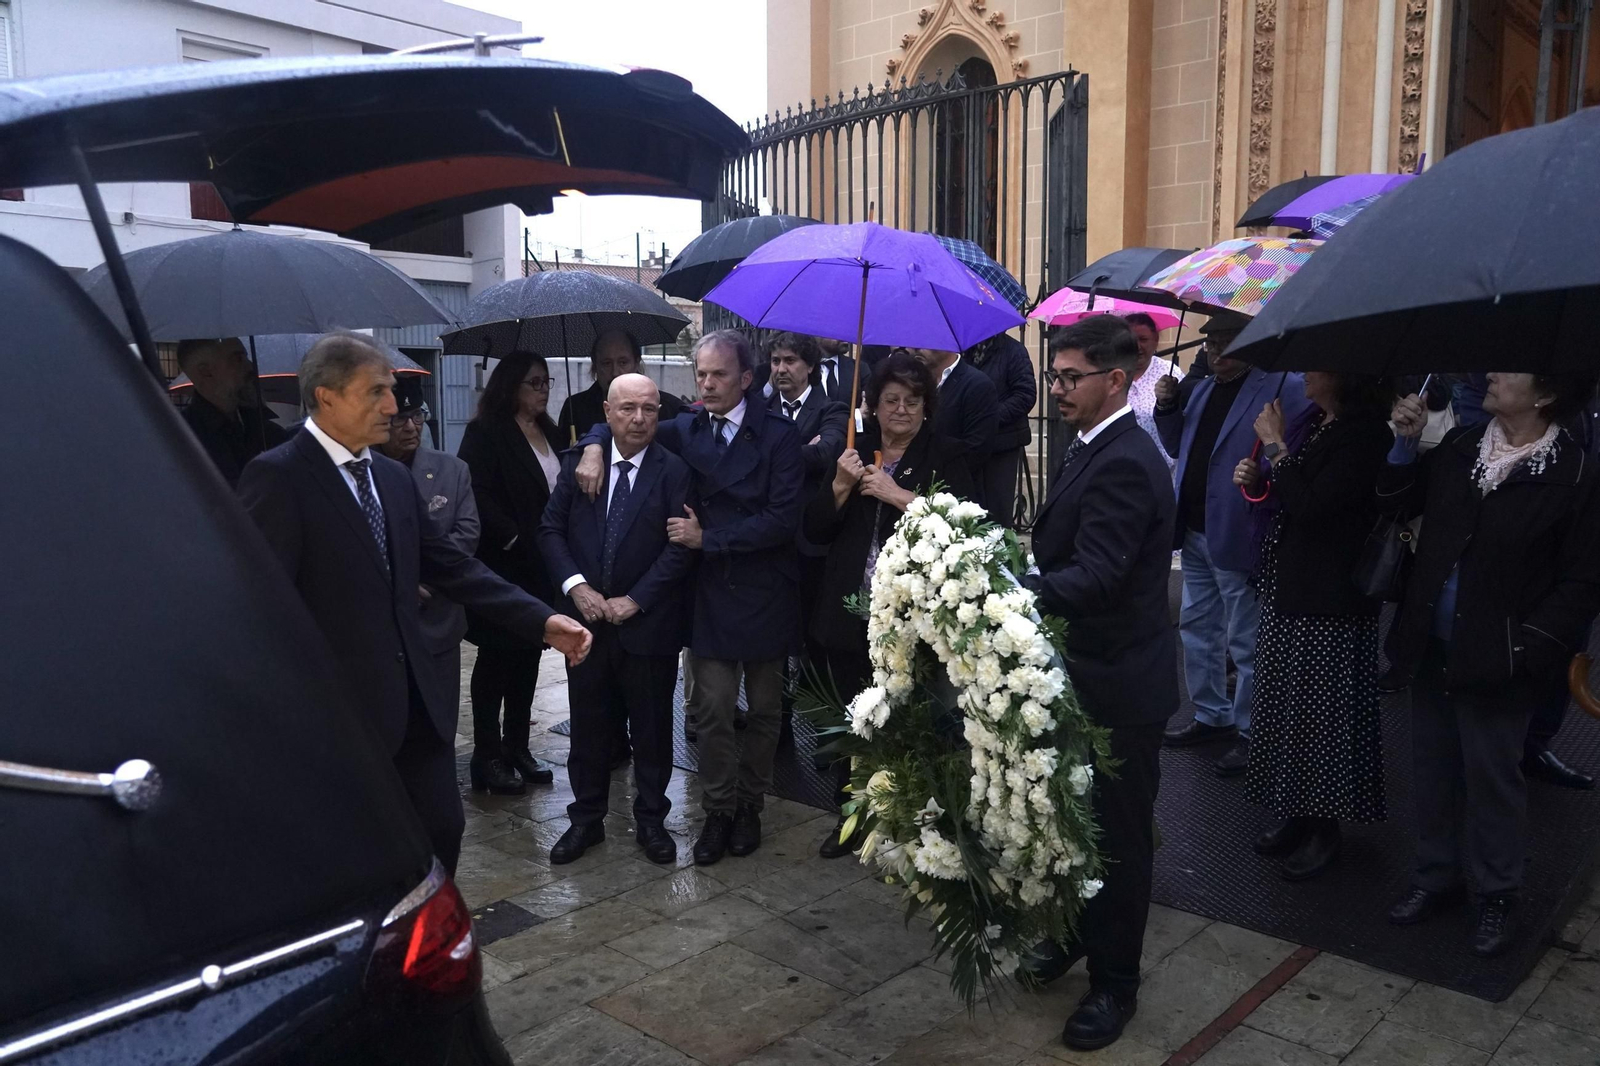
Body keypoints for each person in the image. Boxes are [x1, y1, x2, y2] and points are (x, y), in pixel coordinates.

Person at [238, 333, 591, 874]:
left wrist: (541, 619)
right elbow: (261, 608)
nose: (391, 405)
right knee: (361, 853)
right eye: (376, 392)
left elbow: (453, 565)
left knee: (442, 831)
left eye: (392, 391)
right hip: (344, 716)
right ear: (327, 397)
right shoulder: (279, 476)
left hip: (420, 705)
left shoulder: (391, 477)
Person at [1380, 372, 1600, 957]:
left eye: (1511, 370)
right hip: (1433, 637)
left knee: (1492, 775)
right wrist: (1403, 444)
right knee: (1432, 764)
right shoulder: (1458, 446)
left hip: (1503, 654)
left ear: (1548, 394)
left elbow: (1582, 580)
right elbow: (1398, 504)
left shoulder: (1575, 470)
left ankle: (1498, 895)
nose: (1493, 376)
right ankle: (1436, 877)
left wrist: (1529, 646)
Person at [575, 330, 804, 865]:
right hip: (711, 595)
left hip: (766, 587)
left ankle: (751, 804)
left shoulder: (778, 434)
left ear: (747, 379)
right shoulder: (687, 427)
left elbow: (782, 518)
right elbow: (622, 423)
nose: (706, 383)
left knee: (767, 710)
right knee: (711, 709)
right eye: (700, 374)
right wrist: (591, 448)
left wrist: (711, 539)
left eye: (718, 374)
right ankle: (719, 809)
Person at [1021, 316, 1178, 1051]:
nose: (1056, 389)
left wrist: (1016, 588)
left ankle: (1116, 984)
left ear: (1116, 379)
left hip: (1119, 684)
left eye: (1069, 377)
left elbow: (1100, 574)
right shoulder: (1091, 445)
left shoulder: (1124, 458)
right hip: (1085, 672)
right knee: (1076, 829)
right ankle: (1079, 937)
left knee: (1116, 839)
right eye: (1054, 376)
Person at [803, 351, 975, 857]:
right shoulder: (854, 453)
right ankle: (851, 815)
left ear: (927, 407)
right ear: (872, 406)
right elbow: (813, 531)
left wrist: (899, 495)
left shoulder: (948, 453)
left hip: (912, 615)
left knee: (912, 716)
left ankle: (910, 815)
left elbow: (966, 526)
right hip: (849, 607)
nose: (901, 410)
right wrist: (839, 486)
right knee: (852, 715)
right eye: (891, 400)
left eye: (913, 401)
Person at [1232, 373, 1394, 880]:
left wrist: (1278, 448)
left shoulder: (1366, 435)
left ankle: (1325, 828)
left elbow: (1317, 505)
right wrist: (1261, 480)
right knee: (1288, 707)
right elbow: (1293, 492)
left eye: (1318, 365)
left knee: (1323, 715)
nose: (1306, 375)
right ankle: (1296, 813)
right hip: (1293, 584)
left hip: (1332, 597)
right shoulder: (1318, 423)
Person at [539, 374, 695, 867]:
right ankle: (586, 820)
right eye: (627, 409)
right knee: (588, 728)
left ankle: (651, 820)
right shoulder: (580, 466)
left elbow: (679, 547)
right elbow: (549, 530)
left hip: (647, 626)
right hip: (586, 627)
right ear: (606, 413)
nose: (639, 419)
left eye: (649, 409)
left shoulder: (674, 471)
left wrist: (638, 599)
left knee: (651, 731)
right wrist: (576, 587)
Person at [1154, 312, 1314, 775]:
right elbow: (1175, 445)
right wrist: (1167, 406)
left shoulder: (1283, 387)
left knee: (1244, 638)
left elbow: (1297, 449)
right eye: (1210, 344)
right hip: (1195, 527)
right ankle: (1211, 714)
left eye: (1227, 343)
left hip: (1240, 527)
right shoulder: (1200, 390)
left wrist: (1267, 468)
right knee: (1196, 628)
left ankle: (1250, 729)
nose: (1215, 352)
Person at [456, 351, 564, 796]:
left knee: (529, 656)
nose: (542, 390)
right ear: (511, 386)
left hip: (541, 566)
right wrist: (513, 537)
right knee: (496, 659)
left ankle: (517, 746)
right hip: (504, 565)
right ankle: (487, 755)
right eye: (533, 383)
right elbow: (475, 490)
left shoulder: (552, 432)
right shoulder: (485, 432)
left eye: (546, 382)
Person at [377, 377, 479, 716]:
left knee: (439, 721)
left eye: (417, 416)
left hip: (438, 616)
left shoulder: (452, 469)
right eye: (399, 418)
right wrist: (402, 582)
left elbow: (465, 534)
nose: (410, 427)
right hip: (383, 629)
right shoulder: (366, 472)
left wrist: (423, 578)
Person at [176, 337, 289, 486]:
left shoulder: (268, 432)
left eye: (246, 357)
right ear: (206, 372)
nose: (250, 366)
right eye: (238, 359)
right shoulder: (178, 441)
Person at [556, 328, 684, 445]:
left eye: (623, 362)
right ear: (595, 366)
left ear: (636, 362)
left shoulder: (669, 408)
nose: (615, 372)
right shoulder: (575, 409)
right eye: (606, 363)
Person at [910, 346, 1000, 508]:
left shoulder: (977, 385)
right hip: (910, 491)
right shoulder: (912, 382)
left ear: (947, 341)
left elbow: (977, 449)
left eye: (927, 338)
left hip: (954, 498)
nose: (917, 347)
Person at [968, 329, 1037, 528]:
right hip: (971, 441)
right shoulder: (965, 350)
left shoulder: (1014, 351)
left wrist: (990, 416)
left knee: (997, 511)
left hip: (1002, 443)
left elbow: (1025, 394)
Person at [1123, 312, 1185, 471]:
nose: (1137, 346)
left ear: (1156, 340)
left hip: (1162, 470)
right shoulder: (1111, 375)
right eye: (1131, 340)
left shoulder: (1170, 373)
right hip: (1120, 467)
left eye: (1143, 340)